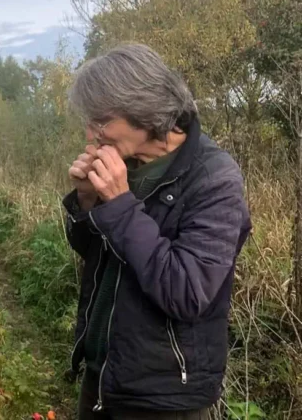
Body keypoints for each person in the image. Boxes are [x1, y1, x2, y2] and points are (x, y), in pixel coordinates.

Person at [62, 43, 252, 420]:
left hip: (163, 399)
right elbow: (98, 255)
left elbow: (187, 292)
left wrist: (118, 204)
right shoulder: (128, 164)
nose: (91, 133)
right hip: (104, 378)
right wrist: (88, 203)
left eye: (101, 121)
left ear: (143, 110)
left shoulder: (214, 179)